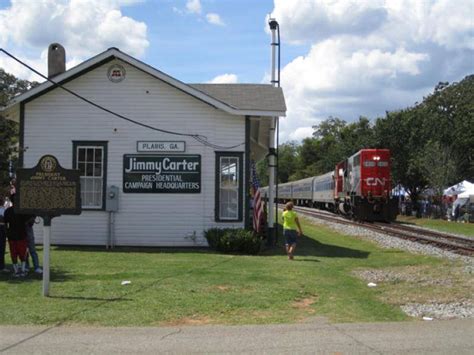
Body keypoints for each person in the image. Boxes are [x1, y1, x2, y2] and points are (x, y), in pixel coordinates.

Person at [4, 194, 30, 277]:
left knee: (14, 254)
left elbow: (5, 223)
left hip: (13, 236)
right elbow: (28, 221)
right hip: (21, 235)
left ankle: (16, 271)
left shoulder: (8, 211)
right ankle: (22, 270)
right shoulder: (22, 210)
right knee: (22, 254)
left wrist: (7, 233)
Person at [0, 196, 9, 273]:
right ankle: (2, 267)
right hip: (2, 229)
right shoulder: (4, 210)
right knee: (2, 248)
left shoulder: (4, 209)